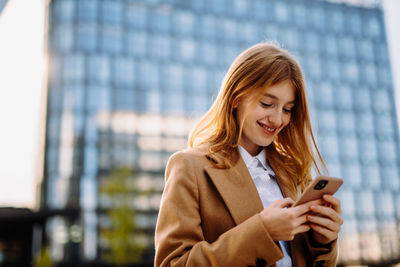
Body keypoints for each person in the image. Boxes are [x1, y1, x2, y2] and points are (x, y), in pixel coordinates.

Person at [154, 42, 342, 267]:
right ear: (236, 97)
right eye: (267, 103)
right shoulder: (190, 167)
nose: (278, 119)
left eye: (287, 109)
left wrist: (322, 242)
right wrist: (262, 232)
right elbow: (172, 264)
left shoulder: (292, 173)